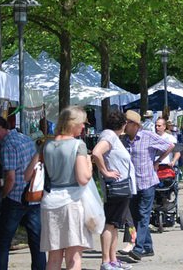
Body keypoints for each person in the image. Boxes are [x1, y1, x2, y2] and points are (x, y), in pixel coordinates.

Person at [31, 106, 93, 270]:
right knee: (73, 257)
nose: (83, 127)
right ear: (74, 124)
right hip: (71, 201)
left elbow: (27, 173)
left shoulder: (46, 145)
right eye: (82, 123)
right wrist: (89, 164)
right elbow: (83, 177)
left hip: (49, 201)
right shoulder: (78, 145)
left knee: (53, 257)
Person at [0, 115, 46, 270]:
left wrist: (2, 195)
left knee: (3, 242)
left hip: (15, 198)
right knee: (36, 241)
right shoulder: (24, 138)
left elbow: (10, 178)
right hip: (33, 195)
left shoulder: (8, 146)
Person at [122, 110, 174, 261]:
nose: (124, 125)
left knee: (144, 215)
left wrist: (157, 161)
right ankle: (148, 247)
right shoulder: (124, 140)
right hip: (132, 184)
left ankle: (138, 249)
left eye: (127, 122)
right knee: (136, 216)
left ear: (135, 125)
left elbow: (169, 145)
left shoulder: (147, 136)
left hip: (147, 182)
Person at [91, 110, 136, 270]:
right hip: (115, 187)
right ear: (123, 124)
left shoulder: (112, 136)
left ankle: (112, 259)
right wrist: (105, 171)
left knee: (115, 224)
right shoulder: (109, 136)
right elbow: (96, 152)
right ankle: (105, 261)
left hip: (122, 186)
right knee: (110, 224)